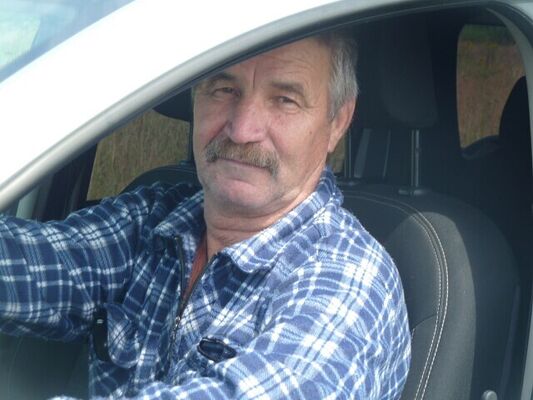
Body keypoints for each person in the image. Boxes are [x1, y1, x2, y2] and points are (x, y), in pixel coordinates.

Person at [0, 32, 410, 399]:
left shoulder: (348, 278)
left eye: (284, 100)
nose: (242, 129)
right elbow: (26, 264)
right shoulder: (153, 220)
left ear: (338, 121)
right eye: (223, 89)